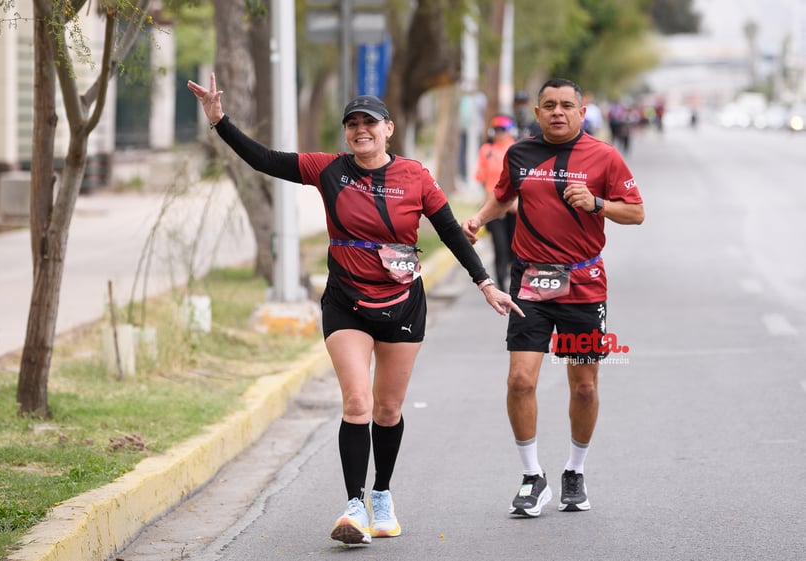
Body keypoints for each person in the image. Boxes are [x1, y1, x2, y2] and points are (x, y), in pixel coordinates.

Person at [187, 75, 522, 545]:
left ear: (388, 128)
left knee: (388, 408)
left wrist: (486, 283)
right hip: (346, 301)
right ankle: (353, 505)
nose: (360, 129)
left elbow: (449, 231)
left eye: (369, 122)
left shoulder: (417, 177)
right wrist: (219, 120)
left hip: (403, 303)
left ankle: (382, 494)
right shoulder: (330, 169)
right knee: (358, 402)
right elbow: (264, 159)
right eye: (352, 123)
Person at [462, 78, 644, 518]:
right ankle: (532, 476)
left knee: (583, 386)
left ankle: (574, 471)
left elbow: (636, 212)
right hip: (531, 284)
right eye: (549, 105)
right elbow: (504, 195)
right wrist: (479, 219)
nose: (558, 112)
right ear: (538, 113)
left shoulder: (604, 156)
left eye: (566, 105)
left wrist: (597, 203)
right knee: (520, 380)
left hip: (584, 286)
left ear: (582, 112)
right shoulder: (520, 154)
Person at [473, 114, 517, 291]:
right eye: (496, 130)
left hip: (513, 207)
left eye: (503, 130)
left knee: (514, 248)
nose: (499, 133)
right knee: (500, 246)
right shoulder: (486, 150)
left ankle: (515, 282)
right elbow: (481, 177)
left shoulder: (517, 148)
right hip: (494, 206)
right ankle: (501, 285)